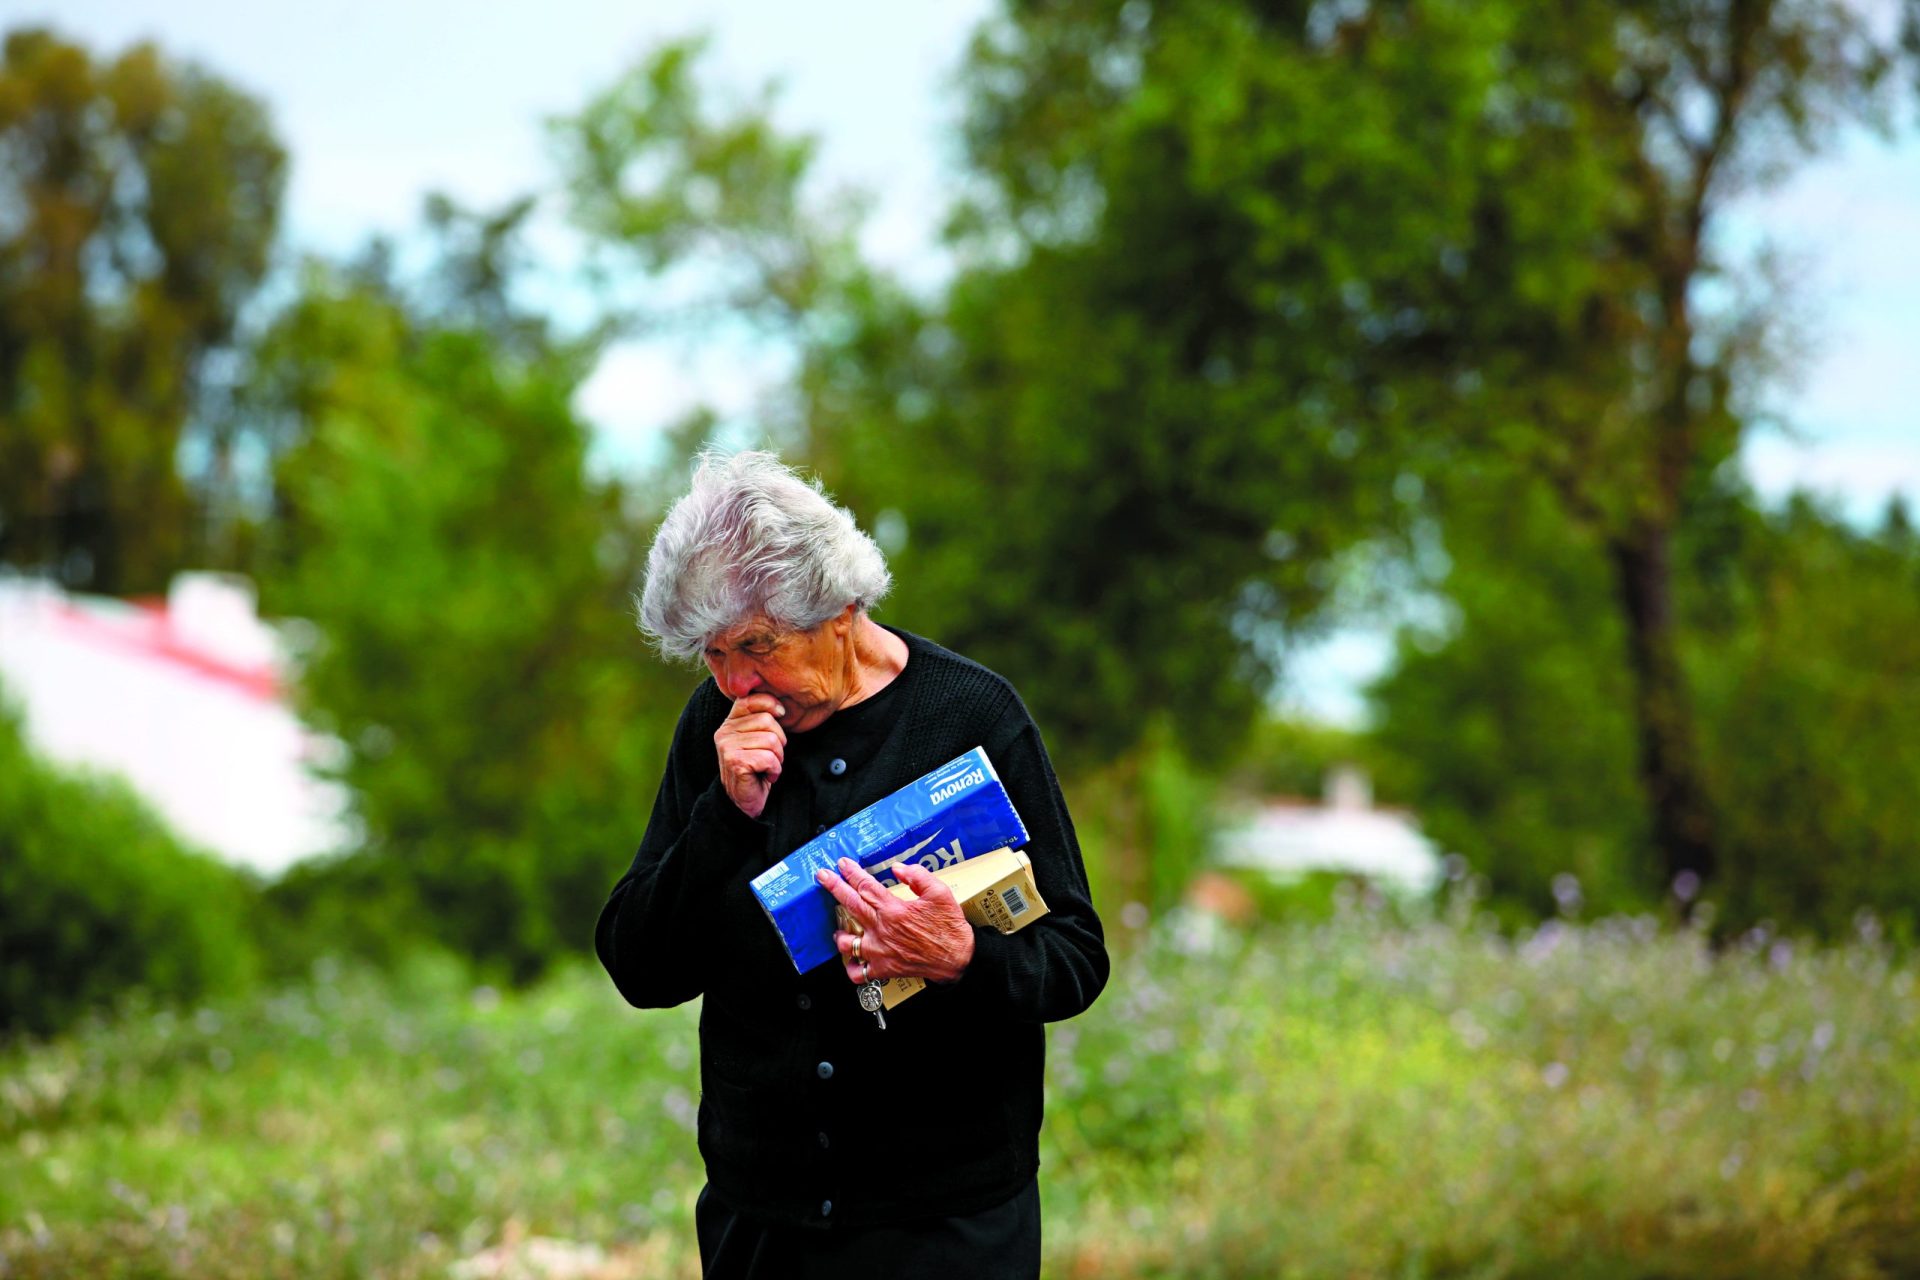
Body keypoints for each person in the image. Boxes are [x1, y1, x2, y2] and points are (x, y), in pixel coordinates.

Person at [596, 451, 1109, 1278]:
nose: (736, 683)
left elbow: (1077, 960)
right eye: (711, 656)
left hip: (947, 1223)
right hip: (762, 1217)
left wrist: (962, 957)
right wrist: (724, 817)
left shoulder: (971, 715)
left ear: (839, 607)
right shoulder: (715, 732)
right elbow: (641, 968)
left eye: (756, 647)